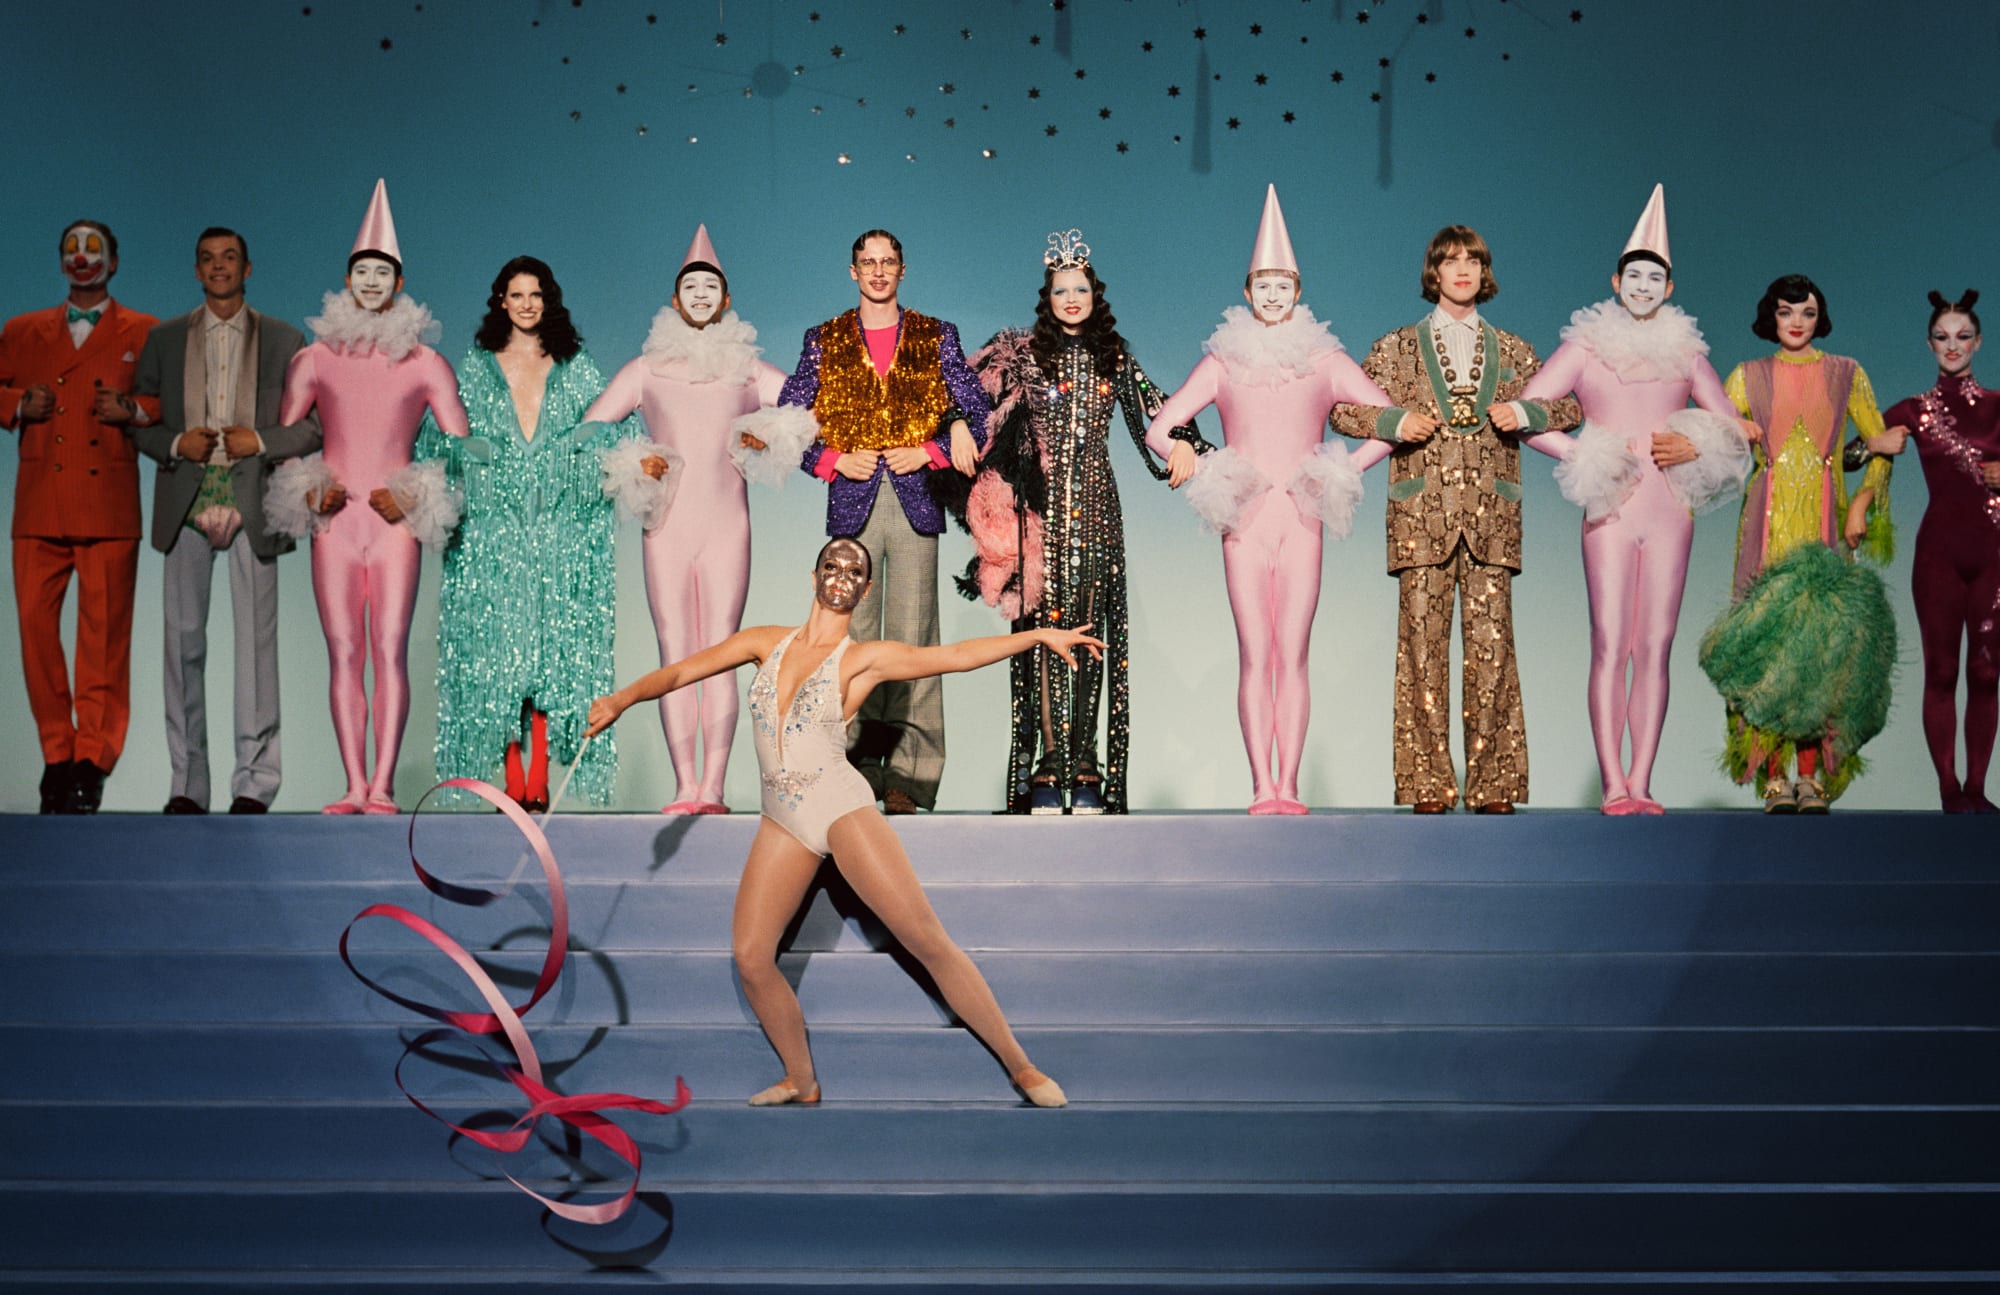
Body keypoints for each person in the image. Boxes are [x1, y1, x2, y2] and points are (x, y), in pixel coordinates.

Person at [585, 538, 1093, 1107]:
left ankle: (1022, 1067)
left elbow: (954, 656)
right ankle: (801, 1080)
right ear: (814, 575)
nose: (842, 576)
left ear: (866, 589)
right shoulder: (763, 642)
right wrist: (622, 699)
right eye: (832, 565)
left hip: (840, 809)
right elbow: (683, 671)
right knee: (751, 957)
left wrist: (1036, 637)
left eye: (855, 571)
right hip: (782, 820)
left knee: (926, 940)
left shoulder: (863, 660)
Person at [1142, 187, 1395, 814]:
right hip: (1245, 518)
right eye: (1264, 285)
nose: (1274, 295)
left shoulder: (1326, 359)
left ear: (1298, 290)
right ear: (1248, 290)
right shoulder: (1222, 361)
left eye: (1283, 285)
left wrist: (1342, 466)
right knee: (1256, 654)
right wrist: (1194, 458)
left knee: (1294, 653)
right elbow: (1159, 428)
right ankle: (1263, 785)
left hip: (1303, 516)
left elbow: (1389, 421)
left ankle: (1291, 785)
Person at [951, 228, 1211, 814]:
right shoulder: (1021, 355)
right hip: (1037, 514)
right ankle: (1049, 763)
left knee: (1090, 634)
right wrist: (959, 425)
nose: (1072, 298)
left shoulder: (1113, 357)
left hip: (1095, 510)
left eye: (1081, 289)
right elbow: (967, 393)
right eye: (1061, 290)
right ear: (1048, 298)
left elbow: (1158, 408)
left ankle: (1086, 762)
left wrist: (1186, 441)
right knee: (1044, 634)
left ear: (1096, 296)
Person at [1513, 186, 1751, 814]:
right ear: (1616, 282)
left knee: (1656, 646)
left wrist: (1697, 445)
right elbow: (1527, 414)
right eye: (1635, 276)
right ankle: (1613, 781)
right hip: (1611, 508)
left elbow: (1735, 429)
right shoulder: (1586, 346)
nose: (1644, 287)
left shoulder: (1687, 353)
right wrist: (1583, 452)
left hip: (1670, 510)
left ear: (1669, 287)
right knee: (1610, 642)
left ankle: (1642, 780)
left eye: (1655, 278)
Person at [1330, 225, 1580, 814]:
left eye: (1473, 260)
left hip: (1493, 516)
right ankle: (1428, 785)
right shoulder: (1396, 348)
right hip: (1420, 516)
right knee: (1421, 652)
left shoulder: (1513, 350)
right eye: (1451, 261)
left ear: (1484, 272)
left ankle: (1494, 785)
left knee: (1494, 653)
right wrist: (1392, 422)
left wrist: (1525, 412)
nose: (1463, 269)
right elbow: (1341, 411)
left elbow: (1571, 408)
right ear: (1434, 272)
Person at [582, 224, 801, 814]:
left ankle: (714, 789)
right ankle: (685, 786)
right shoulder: (646, 369)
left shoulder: (748, 370)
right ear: (675, 299)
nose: (700, 294)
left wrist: (764, 433)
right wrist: (636, 458)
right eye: (690, 287)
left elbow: (811, 406)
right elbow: (589, 432)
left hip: (727, 527)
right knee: (676, 652)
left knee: (723, 651)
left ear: (725, 298)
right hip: (667, 527)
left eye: (710, 287)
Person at [271, 180, 470, 814]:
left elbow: (460, 448)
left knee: (388, 649)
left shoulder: (425, 362)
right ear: (347, 278)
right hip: (335, 520)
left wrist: (412, 494)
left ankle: (382, 786)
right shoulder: (314, 358)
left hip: (393, 524)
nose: (373, 280)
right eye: (363, 270)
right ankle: (353, 783)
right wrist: (311, 486)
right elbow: (287, 438)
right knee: (343, 651)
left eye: (383, 272)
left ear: (399, 281)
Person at [777, 229, 989, 814]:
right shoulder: (823, 340)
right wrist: (829, 460)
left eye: (887, 262)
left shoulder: (936, 334)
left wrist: (933, 450)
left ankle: (910, 778)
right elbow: (785, 420)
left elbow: (978, 410)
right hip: (852, 502)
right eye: (867, 262)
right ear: (852, 272)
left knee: (914, 640)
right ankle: (852, 768)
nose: (877, 271)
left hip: (916, 500)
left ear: (902, 270)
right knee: (850, 640)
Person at [413, 256, 634, 810]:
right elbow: (433, 436)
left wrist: (583, 446)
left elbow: (615, 426)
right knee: (500, 657)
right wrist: (467, 452)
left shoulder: (576, 366)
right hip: (491, 535)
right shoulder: (475, 367)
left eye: (536, 294)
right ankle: (514, 779)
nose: (527, 304)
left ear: (548, 300)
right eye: (517, 295)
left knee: (551, 656)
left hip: (562, 533)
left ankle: (538, 778)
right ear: (501, 301)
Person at [130, 227, 320, 814]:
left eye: (229, 257)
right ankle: (187, 784)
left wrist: (259, 440)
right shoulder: (163, 340)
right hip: (184, 503)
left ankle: (254, 785)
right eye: (208, 259)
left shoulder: (285, 340)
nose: (219, 267)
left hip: (254, 503)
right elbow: (139, 420)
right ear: (196, 270)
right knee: (182, 646)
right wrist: (174, 444)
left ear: (247, 268)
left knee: (256, 651)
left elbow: (312, 427)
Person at [1698, 274, 1898, 813]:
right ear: (1771, 316)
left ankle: (1808, 778)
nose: (1796, 322)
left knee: (1822, 650)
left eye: (1807, 313)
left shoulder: (1846, 373)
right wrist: (1728, 431)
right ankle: (1772, 777)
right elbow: (1713, 437)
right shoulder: (1748, 376)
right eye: (1786, 312)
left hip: (1823, 524)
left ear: (1819, 318)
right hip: (1765, 527)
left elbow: (1880, 444)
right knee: (1765, 648)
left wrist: (1860, 505)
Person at [0, 220, 156, 813]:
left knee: (104, 639)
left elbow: (171, 401)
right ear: (61, 261)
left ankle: (92, 759)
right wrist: (17, 403)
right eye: (72, 248)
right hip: (39, 500)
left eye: (94, 249)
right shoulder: (22, 330)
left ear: (113, 262)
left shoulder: (144, 331)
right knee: (36, 634)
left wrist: (133, 410)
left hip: (108, 502)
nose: (82, 257)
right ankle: (56, 753)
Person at [1880, 290, 1997, 813]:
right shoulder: (1913, 409)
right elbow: (1850, 453)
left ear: (1979, 342)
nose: (1953, 345)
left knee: (1987, 672)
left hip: (1994, 554)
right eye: (1942, 337)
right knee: (1943, 671)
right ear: (1929, 345)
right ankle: (1949, 788)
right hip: (1938, 558)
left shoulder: (1999, 406)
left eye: (1963, 336)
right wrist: (1874, 445)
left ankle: (1978, 787)